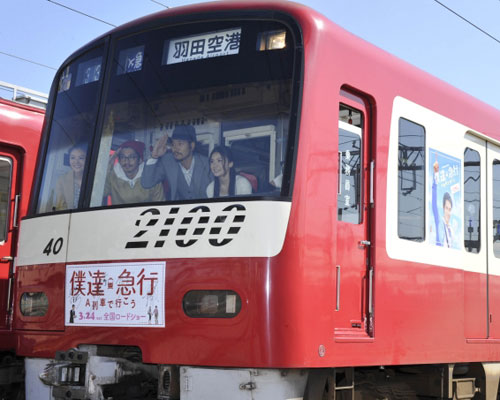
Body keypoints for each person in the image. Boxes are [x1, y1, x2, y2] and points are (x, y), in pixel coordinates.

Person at [142, 125, 210, 200]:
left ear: (192, 146)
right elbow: (147, 183)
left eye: (180, 144)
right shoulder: (168, 162)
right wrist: (154, 156)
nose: (175, 148)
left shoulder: (207, 163)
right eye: (173, 144)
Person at [103, 140, 164, 205]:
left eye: (132, 157)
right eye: (123, 157)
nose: (126, 161)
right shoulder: (112, 177)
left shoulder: (152, 178)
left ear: (140, 160)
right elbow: (99, 193)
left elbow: (160, 204)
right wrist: (109, 165)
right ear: (119, 160)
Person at [51, 143, 87, 211]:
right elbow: (60, 207)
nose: (76, 162)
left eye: (81, 158)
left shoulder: (96, 178)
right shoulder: (62, 180)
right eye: (72, 158)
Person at [432, 160, 457, 248]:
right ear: (443, 208)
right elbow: (434, 202)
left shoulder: (451, 230)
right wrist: (436, 175)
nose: (448, 212)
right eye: (447, 208)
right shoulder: (439, 222)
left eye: (450, 209)